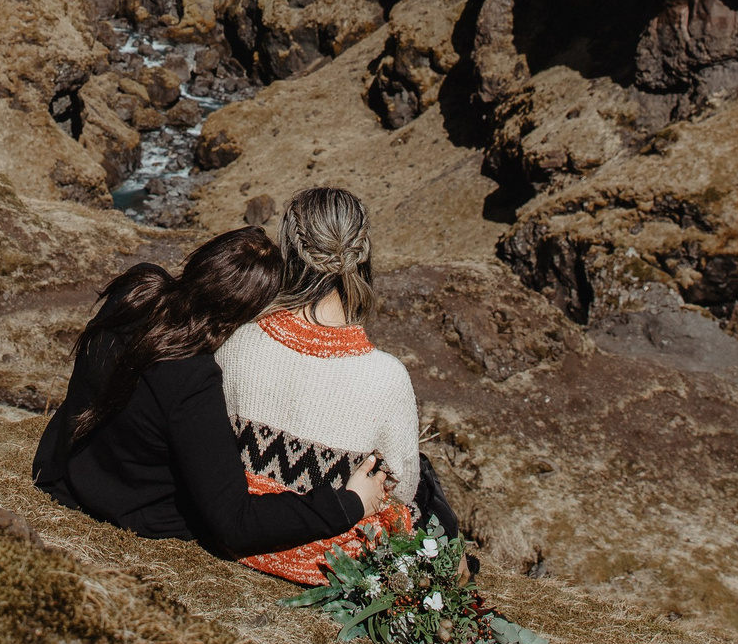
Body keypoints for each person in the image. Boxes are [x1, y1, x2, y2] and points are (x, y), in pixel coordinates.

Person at [32, 227, 392, 559]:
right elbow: (235, 523)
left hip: (65, 471)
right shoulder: (191, 380)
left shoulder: (137, 287)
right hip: (131, 510)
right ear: (246, 315)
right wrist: (348, 504)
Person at [218, 186, 458, 584]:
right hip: (331, 560)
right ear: (362, 256)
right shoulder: (386, 376)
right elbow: (401, 489)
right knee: (424, 486)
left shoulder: (236, 340)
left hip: (243, 531)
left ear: (289, 250)